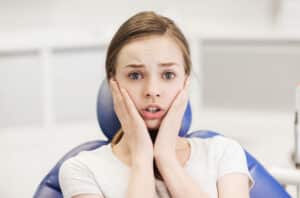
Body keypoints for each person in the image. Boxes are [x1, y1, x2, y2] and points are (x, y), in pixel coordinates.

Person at [59, 11, 254, 198]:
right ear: (113, 83)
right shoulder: (82, 170)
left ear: (185, 81)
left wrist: (166, 158)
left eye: (168, 75)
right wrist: (142, 158)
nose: (152, 90)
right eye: (135, 75)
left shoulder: (223, 153)